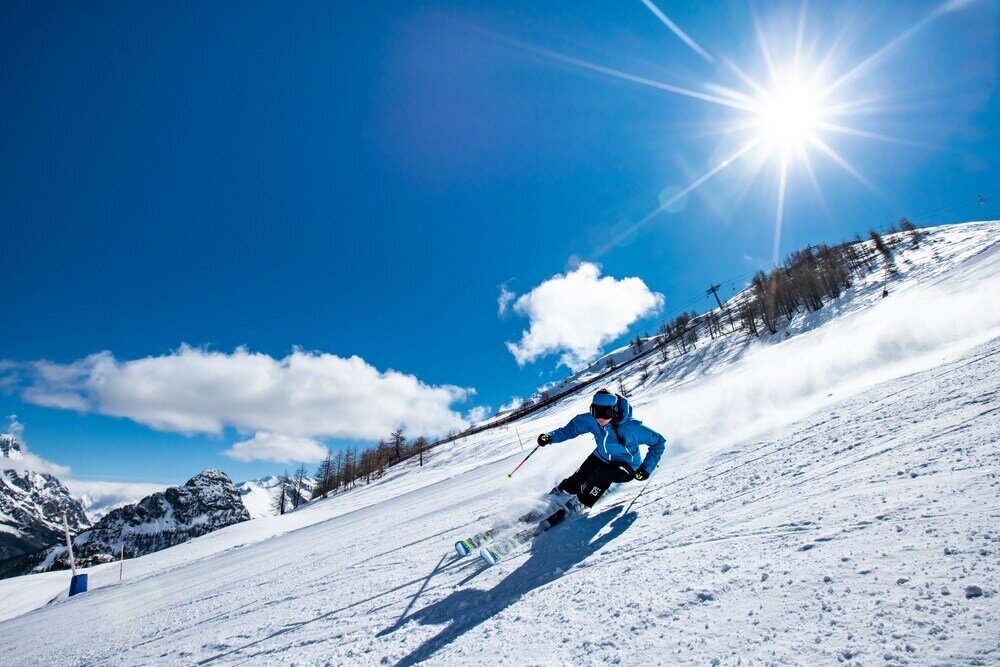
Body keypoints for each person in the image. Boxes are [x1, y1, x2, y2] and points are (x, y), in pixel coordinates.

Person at [537, 388, 665, 512]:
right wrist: (550, 437)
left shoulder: (632, 427)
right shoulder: (591, 420)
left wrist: (646, 468)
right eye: (596, 412)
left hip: (627, 466)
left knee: (602, 474)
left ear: (614, 411)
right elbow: (569, 430)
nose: (600, 418)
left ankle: (581, 501)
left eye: (605, 413)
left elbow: (659, 442)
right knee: (580, 476)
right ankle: (563, 490)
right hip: (601, 456)